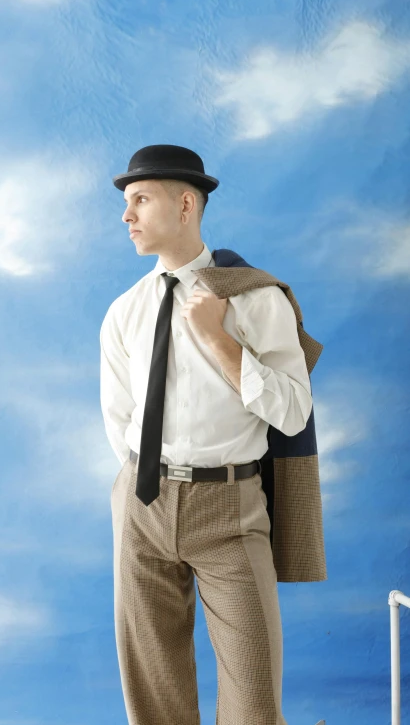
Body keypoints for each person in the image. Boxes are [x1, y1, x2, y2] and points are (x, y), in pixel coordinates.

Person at [100, 144, 313, 724]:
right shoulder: (124, 312)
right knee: (152, 682)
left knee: (253, 686)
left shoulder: (254, 298)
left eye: (140, 200)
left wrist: (219, 340)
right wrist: (145, 484)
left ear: (186, 203)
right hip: (143, 504)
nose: (127, 216)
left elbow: (292, 412)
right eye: (127, 203)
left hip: (230, 507)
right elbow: (120, 419)